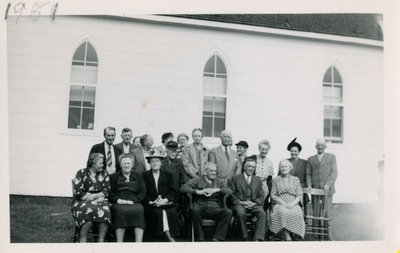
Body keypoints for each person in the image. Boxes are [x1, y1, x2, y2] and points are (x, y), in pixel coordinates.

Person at [180, 162, 232, 241]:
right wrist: (198, 191)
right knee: (195, 211)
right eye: (211, 171)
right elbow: (183, 188)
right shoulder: (197, 179)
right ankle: (200, 239)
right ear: (205, 172)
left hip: (215, 208)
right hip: (200, 206)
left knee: (228, 212)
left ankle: (217, 238)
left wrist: (216, 189)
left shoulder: (219, 181)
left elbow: (229, 191)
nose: (214, 173)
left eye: (215, 171)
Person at [71, 153, 111, 242]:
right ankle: (82, 237)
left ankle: (101, 239)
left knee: (106, 210)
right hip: (83, 200)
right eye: (100, 163)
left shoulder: (104, 173)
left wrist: (95, 196)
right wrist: (91, 197)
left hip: (100, 199)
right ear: (93, 163)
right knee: (87, 210)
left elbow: (107, 190)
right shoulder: (81, 173)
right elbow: (78, 192)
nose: (102, 165)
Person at [142, 151, 181, 242]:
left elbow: (173, 191)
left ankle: (167, 235)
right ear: (149, 163)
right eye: (152, 161)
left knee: (168, 212)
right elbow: (143, 193)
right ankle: (169, 236)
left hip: (165, 203)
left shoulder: (168, 175)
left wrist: (165, 200)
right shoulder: (144, 176)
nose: (155, 163)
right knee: (159, 212)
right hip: (151, 205)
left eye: (157, 161)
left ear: (161, 162)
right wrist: (150, 202)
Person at [109, 153, 146, 242]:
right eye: (124, 163)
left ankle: (138, 243)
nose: (126, 165)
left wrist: (134, 200)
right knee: (121, 211)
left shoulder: (138, 176)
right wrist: (119, 200)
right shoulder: (114, 177)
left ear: (132, 164)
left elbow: (143, 192)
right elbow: (110, 193)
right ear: (120, 164)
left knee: (139, 210)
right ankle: (119, 242)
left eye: (128, 163)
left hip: (134, 201)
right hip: (119, 202)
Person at [306, 139, 338, 240]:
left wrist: (328, 184)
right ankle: (316, 232)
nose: (320, 147)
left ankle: (328, 233)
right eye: (318, 145)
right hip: (315, 189)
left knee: (327, 212)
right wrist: (309, 185)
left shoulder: (331, 157)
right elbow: (308, 173)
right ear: (316, 147)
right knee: (316, 211)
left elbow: (334, 172)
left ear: (325, 147)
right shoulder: (310, 159)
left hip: (327, 190)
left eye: (322, 145)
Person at [230, 156, 266, 241]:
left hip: (253, 204)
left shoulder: (257, 180)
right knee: (240, 212)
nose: (251, 168)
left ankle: (258, 238)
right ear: (244, 167)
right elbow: (231, 194)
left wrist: (254, 203)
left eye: (253, 167)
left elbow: (261, 196)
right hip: (240, 204)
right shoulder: (236, 178)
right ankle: (244, 236)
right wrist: (241, 202)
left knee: (262, 213)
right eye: (249, 166)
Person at [270, 159, 305, 241]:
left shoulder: (295, 179)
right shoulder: (275, 180)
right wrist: (284, 204)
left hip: (293, 203)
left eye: (286, 166)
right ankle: (287, 235)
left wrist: (293, 203)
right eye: (282, 167)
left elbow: (299, 194)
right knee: (283, 212)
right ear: (279, 168)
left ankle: (294, 232)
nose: (284, 168)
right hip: (280, 203)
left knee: (298, 213)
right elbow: (273, 195)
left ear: (290, 168)